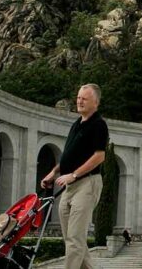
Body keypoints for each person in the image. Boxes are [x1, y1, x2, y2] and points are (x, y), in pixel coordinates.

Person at [41, 83, 108, 269]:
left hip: (87, 184)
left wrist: (74, 175)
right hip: (69, 186)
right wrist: (53, 173)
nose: (79, 101)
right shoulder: (76, 124)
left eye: (84, 98)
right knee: (71, 239)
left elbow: (99, 156)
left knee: (75, 239)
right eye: (78, 98)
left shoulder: (99, 125)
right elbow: (69, 155)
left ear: (96, 102)